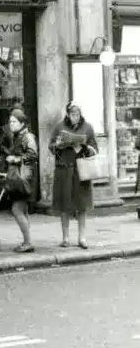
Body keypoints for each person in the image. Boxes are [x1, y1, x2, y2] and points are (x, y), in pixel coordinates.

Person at [49, 101, 98, 249]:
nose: (74, 117)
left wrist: (86, 147)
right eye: (72, 114)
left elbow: (95, 148)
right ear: (67, 114)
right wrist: (58, 144)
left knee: (81, 205)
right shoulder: (59, 127)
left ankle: (82, 238)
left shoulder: (88, 127)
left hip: (81, 170)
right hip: (64, 170)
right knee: (64, 204)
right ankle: (65, 238)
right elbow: (50, 146)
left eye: (77, 114)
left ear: (80, 114)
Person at [1, 109, 38, 253]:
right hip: (19, 178)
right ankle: (27, 241)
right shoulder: (17, 136)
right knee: (22, 210)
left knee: (16, 210)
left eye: (14, 121)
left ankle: (28, 242)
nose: (11, 124)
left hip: (24, 179)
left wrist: (16, 159)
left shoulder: (27, 137)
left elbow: (33, 155)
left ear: (22, 123)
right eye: (10, 121)